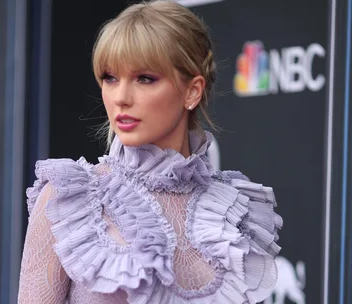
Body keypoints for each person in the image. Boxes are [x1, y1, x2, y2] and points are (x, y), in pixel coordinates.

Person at [17, 1, 283, 303]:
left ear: (192, 91)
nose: (121, 97)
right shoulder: (69, 199)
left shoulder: (234, 214)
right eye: (110, 78)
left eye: (145, 78)